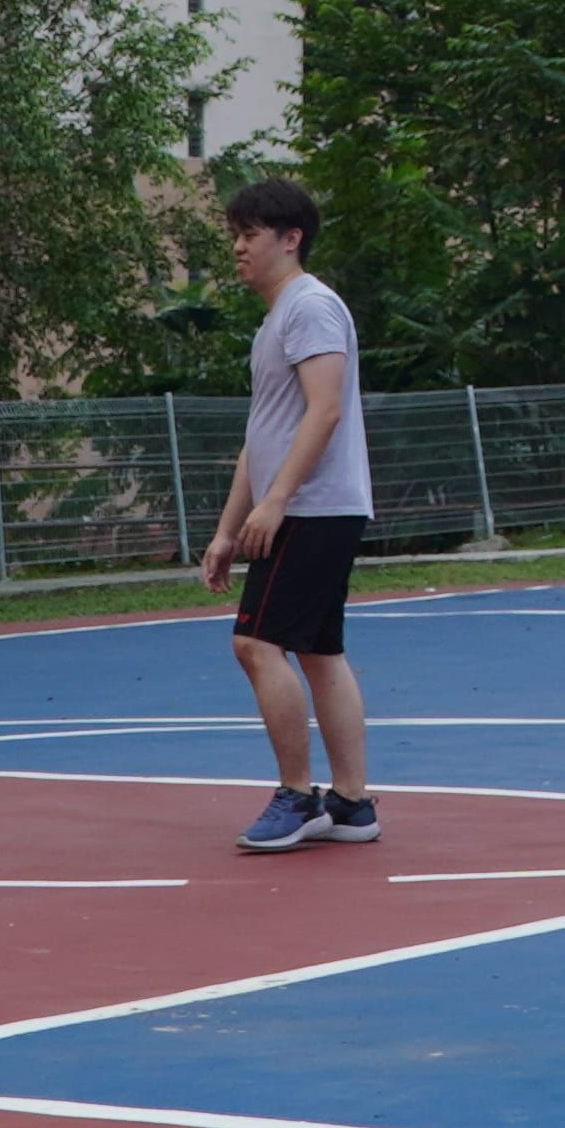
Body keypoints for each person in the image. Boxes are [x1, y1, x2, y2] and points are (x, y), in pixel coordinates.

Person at [199, 174, 376, 855]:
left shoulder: (310, 308)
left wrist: (276, 502)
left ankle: (298, 795)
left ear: (290, 238)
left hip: (312, 507)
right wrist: (225, 527)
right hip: (308, 507)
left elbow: (325, 409)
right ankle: (353, 804)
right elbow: (261, 436)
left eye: (249, 235)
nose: (238, 249)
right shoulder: (279, 319)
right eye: (235, 236)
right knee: (319, 651)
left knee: (254, 642)